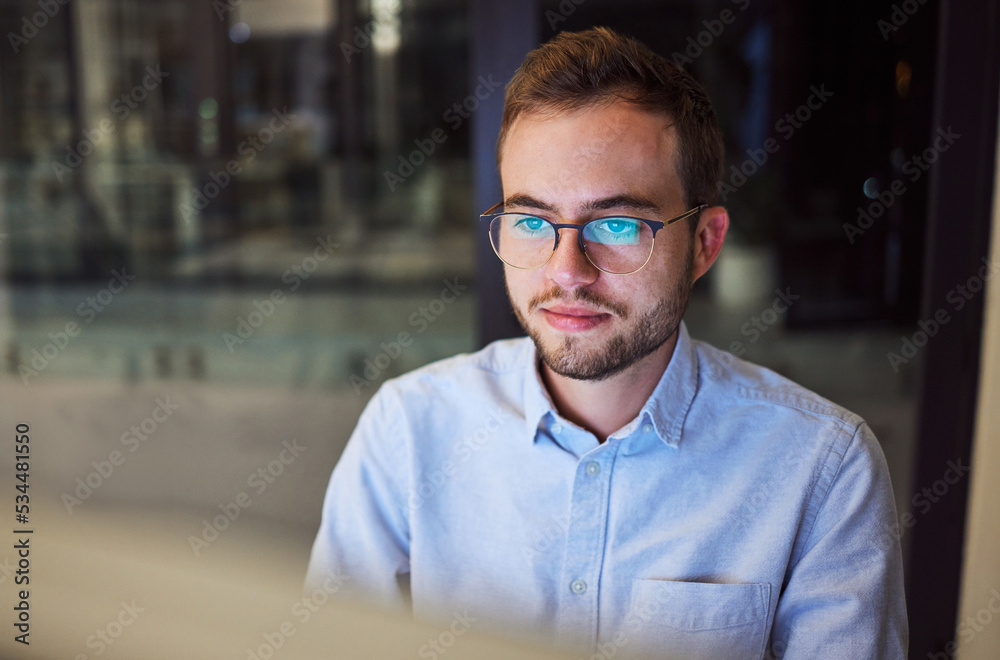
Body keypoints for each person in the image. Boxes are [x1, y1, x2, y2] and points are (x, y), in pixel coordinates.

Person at [307, 27, 907, 659]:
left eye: (618, 224)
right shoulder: (407, 433)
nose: (567, 270)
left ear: (705, 243)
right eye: (533, 221)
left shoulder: (822, 470)